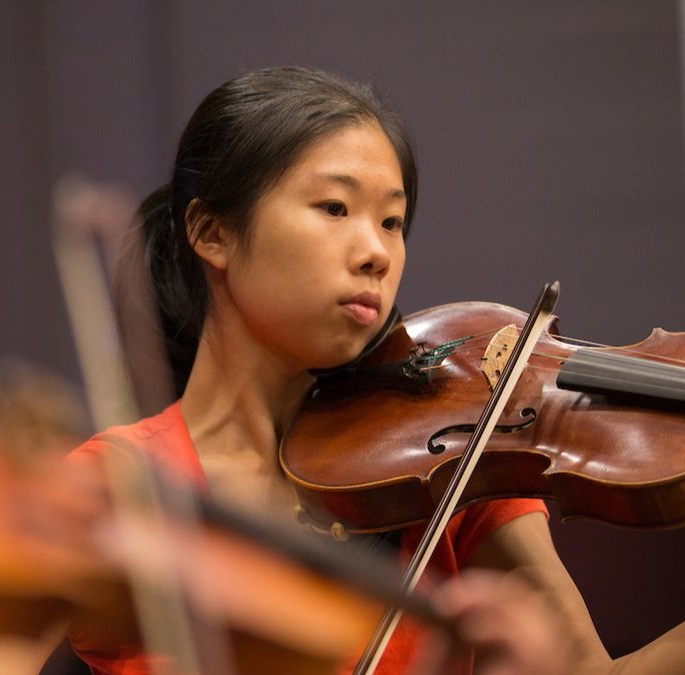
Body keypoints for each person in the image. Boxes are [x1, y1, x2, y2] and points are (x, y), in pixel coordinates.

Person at [62, 65, 620, 675]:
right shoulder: (116, 485)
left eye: (392, 222)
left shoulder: (445, 470)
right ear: (211, 232)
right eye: (334, 207)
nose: (377, 253)